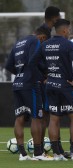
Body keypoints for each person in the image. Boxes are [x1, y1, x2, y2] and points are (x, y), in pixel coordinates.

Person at [39, 19, 73, 161]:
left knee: (54, 118)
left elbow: (35, 62)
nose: (69, 32)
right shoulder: (68, 44)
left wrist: (44, 76)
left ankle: (57, 153)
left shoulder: (45, 45)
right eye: (68, 30)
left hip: (50, 85)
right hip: (65, 85)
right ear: (63, 30)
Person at [5, 26, 53, 161]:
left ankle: (22, 154)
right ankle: (38, 154)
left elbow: (9, 65)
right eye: (44, 42)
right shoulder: (35, 41)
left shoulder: (18, 43)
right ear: (42, 37)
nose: (42, 45)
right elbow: (34, 61)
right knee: (36, 117)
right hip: (31, 84)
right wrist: (43, 76)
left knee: (20, 117)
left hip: (18, 84)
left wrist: (21, 74)